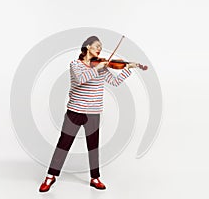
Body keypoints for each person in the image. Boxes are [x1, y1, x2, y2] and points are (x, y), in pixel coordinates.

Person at [39, 36, 138, 192]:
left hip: (94, 113)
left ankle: (95, 177)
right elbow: (81, 79)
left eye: (101, 46)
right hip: (75, 111)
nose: (99, 48)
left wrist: (128, 68)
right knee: (63, 145)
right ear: (87, 47)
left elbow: (115, 82)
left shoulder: (102, 66)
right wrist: (97, 68)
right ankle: (51, 176)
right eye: (97, 46)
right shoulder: (76, 65)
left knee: (93, 147)